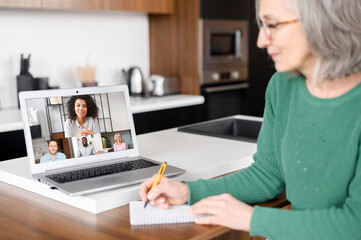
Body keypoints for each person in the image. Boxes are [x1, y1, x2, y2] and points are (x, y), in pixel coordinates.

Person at [139, 0, 361, 239]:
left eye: (272, 25)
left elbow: (353, 223)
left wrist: (251, 219)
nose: (260, 41)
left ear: (322, 20)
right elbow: (267, 176)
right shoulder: (282, 86)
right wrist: (187, 191)